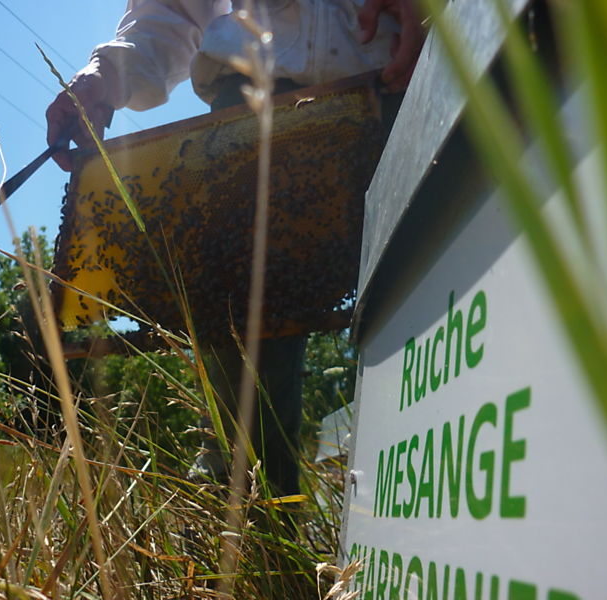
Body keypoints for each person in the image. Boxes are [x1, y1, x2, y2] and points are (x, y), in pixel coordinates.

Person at [45, 0, 425, 497]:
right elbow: (174, 9)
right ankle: (257, 564)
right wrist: (104, 75)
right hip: (244, 119)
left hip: (399, 76)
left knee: (427, 320)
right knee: (241, 400)